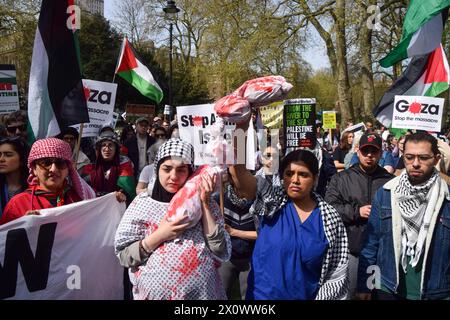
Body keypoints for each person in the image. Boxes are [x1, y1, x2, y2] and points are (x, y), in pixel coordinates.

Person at [114, 138, 231, 300]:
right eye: (167, 169)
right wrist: (161, 235)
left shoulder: (206, 203)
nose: (173, 176)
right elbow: (125, 255)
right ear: (157, 170)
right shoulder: (143, 204)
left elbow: (220, 248)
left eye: (182, 170)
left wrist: (203, 202)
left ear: (191, 172)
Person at [229, 142, 348, 299]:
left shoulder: (329, 218)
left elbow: (335, 275)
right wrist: (240, 131)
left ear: (315, 178)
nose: (295, 180)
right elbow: (241, 178)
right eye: (289, 173)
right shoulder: (272, 202)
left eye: (303, 174)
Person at [357, 132, 450, 300]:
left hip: (437, 292)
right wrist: (366, 285)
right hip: (387, 287)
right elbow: (371, 244)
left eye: (423, 158)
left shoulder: (447, 198)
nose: (415, 163)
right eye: (409, 157)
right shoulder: (386, 193)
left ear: (436, 159)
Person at [325, 132, 393, 299]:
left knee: (371, 294)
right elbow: (328, 209)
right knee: (350, 295)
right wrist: (357, 211)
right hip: (351, 252)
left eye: (374, 151)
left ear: (381, 153)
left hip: (378, 256)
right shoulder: (341, 178)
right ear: (357, 151)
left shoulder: (390, 181)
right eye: (365, 151)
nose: (369, 155)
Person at [0, 138, 96, 225]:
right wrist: (23, 225)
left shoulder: (79, 200)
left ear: (68, 169)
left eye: (60, 163)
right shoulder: (18, 204)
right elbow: (5, 240)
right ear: (34, 169)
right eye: (46, 163)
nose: (53, 169)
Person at [215, 172, 257, 300]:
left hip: (250, 259)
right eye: (237, 178)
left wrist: (234, 232)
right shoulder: (219, 199)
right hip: (227, 258)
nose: (242, 183)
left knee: (250, 296)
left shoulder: (259, 202)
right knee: (220, 294)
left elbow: (264, 234)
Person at [80, 131, 136, 204]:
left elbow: (129, 193)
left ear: (116, 149)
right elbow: (84, 190)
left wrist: (121, 194)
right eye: (103, 145)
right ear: (99, 149)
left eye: (110, 145)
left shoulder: (125, 168)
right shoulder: (89, 168)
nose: (107, 149)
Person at [0, 137, 30, 219]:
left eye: (8, 155)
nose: (1, 159)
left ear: (22, 159)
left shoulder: (34, 188)